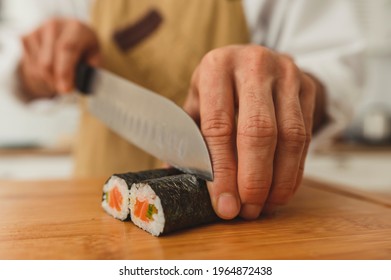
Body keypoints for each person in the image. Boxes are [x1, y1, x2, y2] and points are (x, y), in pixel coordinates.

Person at [18, 0, 364, 220]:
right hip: (91, 211)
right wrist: (41, 64)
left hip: (239, 218)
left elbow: (337, 68)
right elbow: (16, 64)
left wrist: (290, 90)